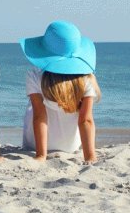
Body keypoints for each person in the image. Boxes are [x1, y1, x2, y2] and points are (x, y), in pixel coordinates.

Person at [19, 21, 101, 163]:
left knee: (34, 111)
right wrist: (90, 156)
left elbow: (40, 117)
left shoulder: (34, 75)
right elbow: (86, 120)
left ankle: (42, 152)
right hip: (70, 146)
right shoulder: (87, 79)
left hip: (35, 144)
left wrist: (41, 155)